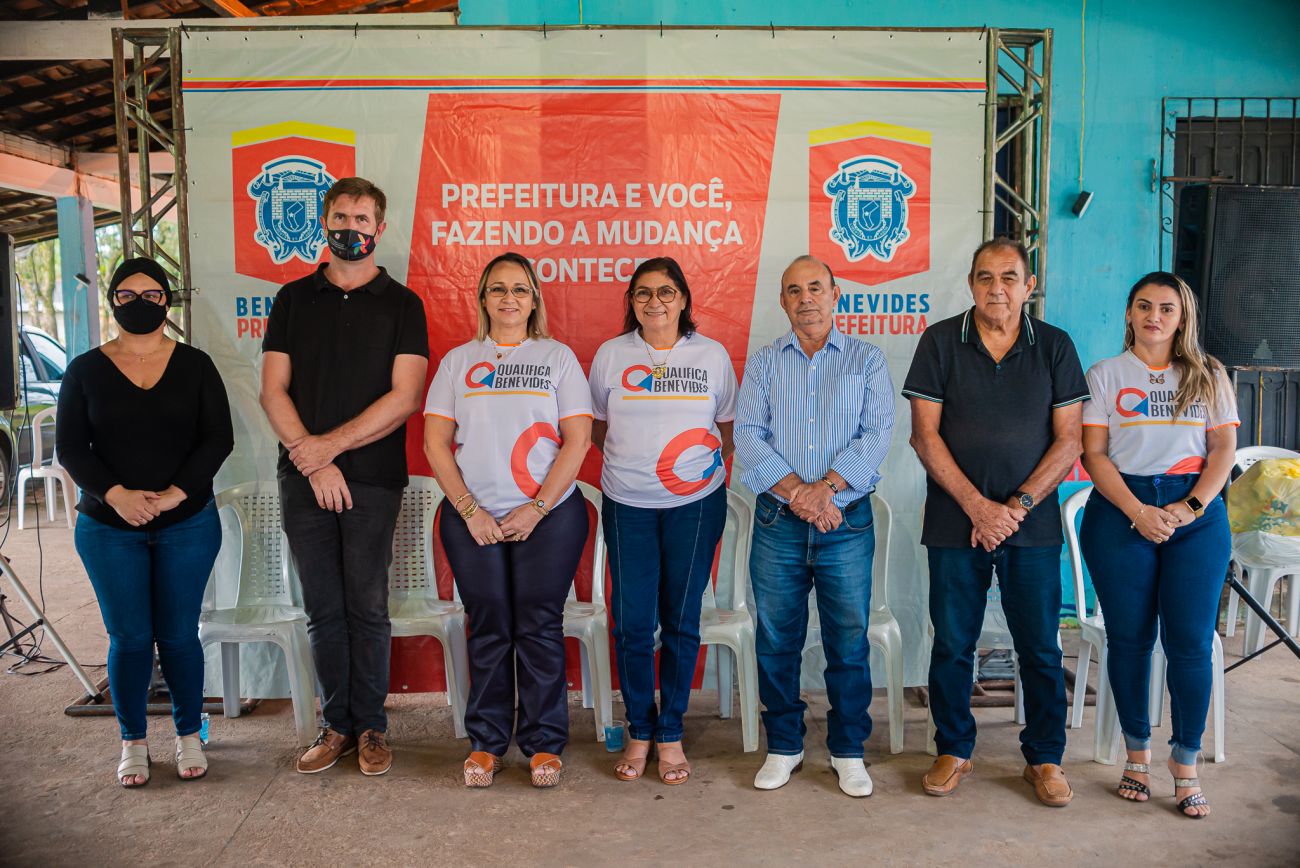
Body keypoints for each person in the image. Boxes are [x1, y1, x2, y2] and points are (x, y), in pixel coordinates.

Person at [902, 238, 1088, 807]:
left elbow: (1070, 441)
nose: (997, 288)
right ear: (971, 284)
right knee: (953, 643)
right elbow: (924, 436)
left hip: (1030, 525)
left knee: (1040, 647)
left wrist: (1015, 508)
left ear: (1029, 287)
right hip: (954, 520)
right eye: (985, 277)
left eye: (1009, 278)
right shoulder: (940, 341)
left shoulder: (1054, 346)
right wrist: (978, 508)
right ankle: (953, 749)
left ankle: (1046, 758)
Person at [259, 177, 429, 777]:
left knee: (367, 607)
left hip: (374, 480)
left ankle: (373, 727)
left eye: (361, 219)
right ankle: (337, 726)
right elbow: (272, 390)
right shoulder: (291, 300)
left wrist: (328, 448)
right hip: (303, 478)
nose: (350, 228)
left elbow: (406, 397)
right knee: (323, 609)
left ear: (379, 229)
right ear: (324, 222)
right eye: (340, 217)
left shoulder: (403, 304)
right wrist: (314, 460)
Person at [58, 257, 234, 787]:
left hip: (188, 522)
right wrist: (116, 496)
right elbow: (71, 448)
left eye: (152, 294)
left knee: (179, 636)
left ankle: (188, 736)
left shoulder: (196, 365)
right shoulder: (84, 370)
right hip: (108, 527)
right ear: (113, 301)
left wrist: (176, 494)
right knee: (130, 639)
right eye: (127, 294)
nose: (140, 303)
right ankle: (132, 742)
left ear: (167, 300)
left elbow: (218, 439)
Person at [424, 252, 592, 789]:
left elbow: (579, 440)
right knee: (490, 622)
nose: (509, 298)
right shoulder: (458, 362)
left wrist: (538, 508)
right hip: (471, 517)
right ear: (483, 299)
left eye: (520, 288)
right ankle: (488, 742)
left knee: (538, 624)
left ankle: (544, 744)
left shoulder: (557, 357)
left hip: (550, 516)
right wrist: (470, 510)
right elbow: (435, 442)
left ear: (534, 298)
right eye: (498, 288)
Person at [1079, 271, 1237, 819]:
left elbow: (1222, 451)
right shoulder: (1104, 374)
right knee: (1130, 640)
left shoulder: (1209, 374)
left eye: (1167, 308)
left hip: (1196, 515)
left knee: (1190, 642)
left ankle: (1185, 760)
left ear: (1182, 316)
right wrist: (1138, 511)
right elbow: (1094, 455)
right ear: (1129, 312)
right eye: (1144, 306)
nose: (1155, 316)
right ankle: (1137, 755)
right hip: (1121, 510)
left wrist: (1189, 507)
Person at [734, 255, 894, 798]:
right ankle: (785, 745)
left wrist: (823, 489)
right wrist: (800, 495)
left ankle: (848, 750)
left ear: (835, 294)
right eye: (794, 290)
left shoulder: (866, 360)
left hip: (845, 521)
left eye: (816, 288)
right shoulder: (764, 363)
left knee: (847, 641)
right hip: (779, 520)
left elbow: (877, 434)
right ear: (782, 301)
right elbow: (748, 436)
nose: (806, 299)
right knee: (777, 638)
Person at [589, 257, 737, 785]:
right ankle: (639, 730)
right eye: (643, 293)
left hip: (695, 508)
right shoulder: (611, 355)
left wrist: (688, 480)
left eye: (666, 292)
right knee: (631, 623)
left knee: (680, 620)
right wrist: (637, 470)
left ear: (684, 300)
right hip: (626, 504)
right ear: (631, 301)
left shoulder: (711, 355)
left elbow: (727, 429)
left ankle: (670, 731)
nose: (655, 302)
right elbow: (598, 427)